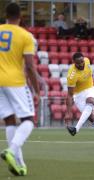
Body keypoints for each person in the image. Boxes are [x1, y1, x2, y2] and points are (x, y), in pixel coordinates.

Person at [0, 2, 40, 176]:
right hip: (15, 81)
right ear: (21, 16)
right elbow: (30, 66)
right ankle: (11, 150)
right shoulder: (25, 36)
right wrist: (36, 90)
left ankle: (19, 164)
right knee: (29, 119)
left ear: (5, 15)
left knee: (9, 120)